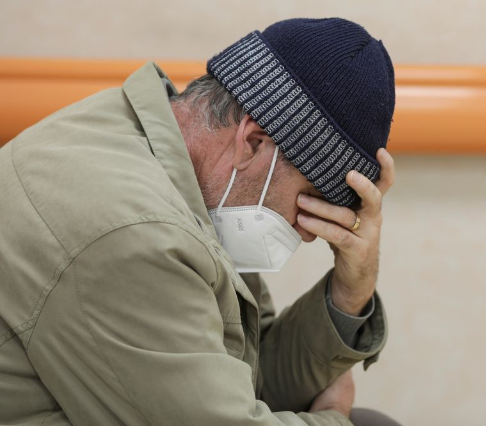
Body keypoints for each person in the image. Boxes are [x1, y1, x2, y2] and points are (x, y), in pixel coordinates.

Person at [0, 17, 399, 425]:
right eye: (311, 199)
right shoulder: (138, 232)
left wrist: (351, 290)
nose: (308, 231)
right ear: (253, 142)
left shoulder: (155, 153)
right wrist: (335, 415)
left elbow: (244, 377)